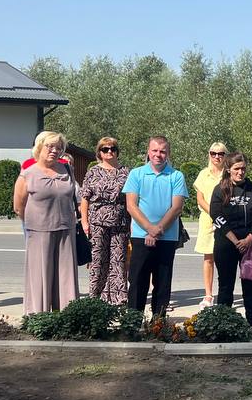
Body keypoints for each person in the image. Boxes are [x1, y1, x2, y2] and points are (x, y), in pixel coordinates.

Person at [14, 131, 80, 313]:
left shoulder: (67, 170)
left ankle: (66, 316)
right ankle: (38, 317)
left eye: (58, 147)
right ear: (39, 147)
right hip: (39, 232)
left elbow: (73, 197)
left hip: (66, 230)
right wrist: (36, 222)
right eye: (50, 146)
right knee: (39, 277)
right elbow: (19, 207)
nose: (54, 150)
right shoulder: (28, 174)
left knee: (65, 277)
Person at [123, 135, 188, 316]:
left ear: (168, 153)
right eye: (155, 150)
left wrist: (157, 230)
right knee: (137, 281)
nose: (158, 154)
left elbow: (177, 208)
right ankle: (133, 321)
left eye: (162, 151)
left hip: (167, 237)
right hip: (140, 236)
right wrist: (149, 229)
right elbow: (131, 206)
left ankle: (158, 323)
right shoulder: (136, 174)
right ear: (148, 151)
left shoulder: (176, 176)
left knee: (162, 283)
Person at [210, 152, 252, 327]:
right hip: (226, 244)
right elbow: (216, 216)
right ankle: (223, 325)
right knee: (226, 285)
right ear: (228, 169)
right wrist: (235, 241)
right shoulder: (219, 190)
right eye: (237, 169)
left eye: (243, 169)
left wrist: (249, 239)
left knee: (250, 286)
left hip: (250, 244)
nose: (241, 172)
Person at [78, 136, 131, 303]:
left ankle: (118, 297)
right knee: (98, 260)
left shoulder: (126, 172)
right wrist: (85, 222)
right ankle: (96, 297)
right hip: (97, 222)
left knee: (118, 260)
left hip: (120, 222)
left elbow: (132, 198)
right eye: (105, 149)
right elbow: (85, 198)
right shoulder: (93, 172)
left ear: (117, 151)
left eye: (113, 149)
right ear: (99, 152)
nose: (109, 152)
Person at [193, 142, 227, 307]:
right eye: (213, 153)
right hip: (207, 220)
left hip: (226, 220)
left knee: (225, 258)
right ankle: (208, 295)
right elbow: (200, 199)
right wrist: (214, 213)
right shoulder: (203, 174)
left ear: (225, 156)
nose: (217, 157)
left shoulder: (228, 174)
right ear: (209, 155)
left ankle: (225, 294)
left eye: (220, 153)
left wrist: (222, 216)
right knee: (208, 257)